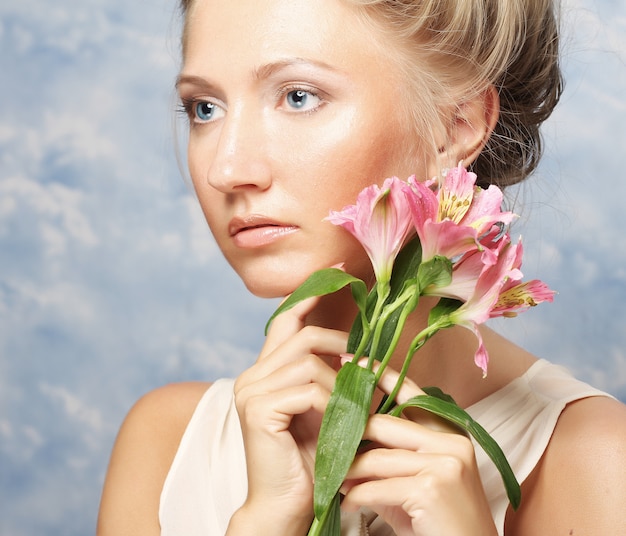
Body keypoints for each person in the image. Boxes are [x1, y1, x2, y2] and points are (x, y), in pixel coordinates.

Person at [97, 0, 626, 534]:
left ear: (456, 126)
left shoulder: (598, 464)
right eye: (204, 108)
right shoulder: (168, 444)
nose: (226, 169)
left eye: (298, 97)